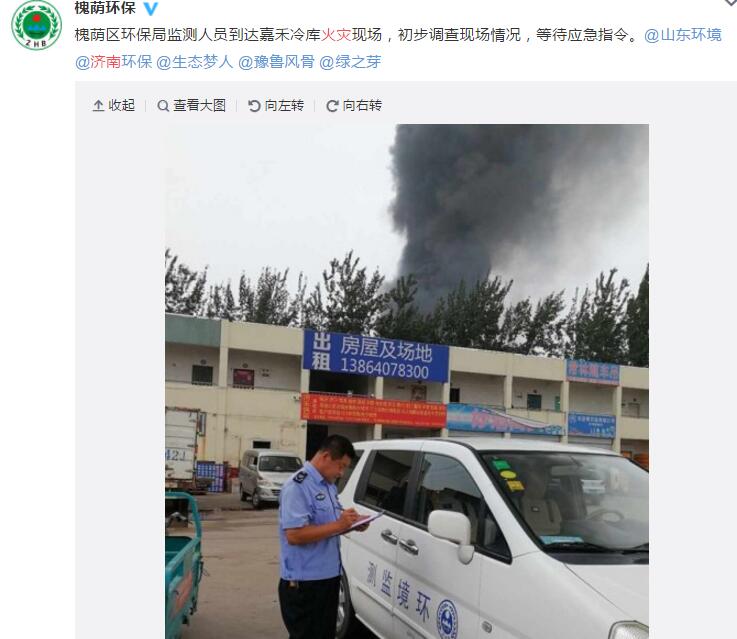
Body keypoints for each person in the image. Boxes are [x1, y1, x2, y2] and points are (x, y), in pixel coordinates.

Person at [277, 435, 370, 639]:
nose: (341, 473)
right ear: (326, 456)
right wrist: (339, 524)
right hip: (305, 584)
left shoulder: (328, 486)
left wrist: (351, 524)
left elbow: (327, 527)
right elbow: (294, 535)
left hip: (328, 578)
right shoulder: (297, 486)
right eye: (341, 466)